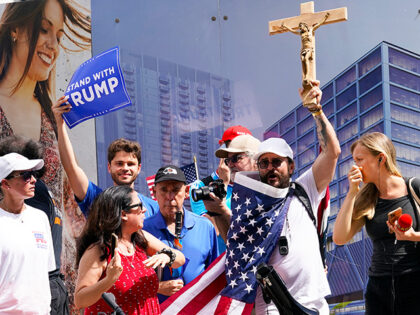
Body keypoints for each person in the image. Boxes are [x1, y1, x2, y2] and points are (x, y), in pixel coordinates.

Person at [211, 81, 340, 314]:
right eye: (264, 163)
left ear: (290, 166)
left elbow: (332, 152)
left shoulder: (304, 189)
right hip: (269, 308)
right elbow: (237, 247)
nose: (271, 168)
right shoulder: (250, 205)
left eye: (277, 162)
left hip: (311, 303)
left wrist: (316, 111)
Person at [0, 0, 91, 309]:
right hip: (8, 271)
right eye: (43, 29)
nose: (52, 45)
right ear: (15, 28)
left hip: (53, 275)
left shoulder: (50, 118)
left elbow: (68, 199)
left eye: (59, 35)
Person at [333, 132, 420, 314]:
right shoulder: (366, 199)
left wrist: (413, 236)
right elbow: (340, 238)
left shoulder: (414, 187)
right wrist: (351, 194)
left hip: (414, 282)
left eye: (360, 159)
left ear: (380, 158)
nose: (355, 166)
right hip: (378, 288)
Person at [75, 185, 185, 314]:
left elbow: (180, 259)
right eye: (139, 206)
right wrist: (109, 280)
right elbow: (80, 300)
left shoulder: (140, 237)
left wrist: (167, 256)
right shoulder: (98, 250)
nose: (144, 210)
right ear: (123, 214)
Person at [52, 98, 159, 218]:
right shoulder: (97, 200)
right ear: (109, 167)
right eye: (119, 163)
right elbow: (71, 168)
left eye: (130, 164)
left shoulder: (153, 209)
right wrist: (60, 124)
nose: (125, 168)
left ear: (139, 168)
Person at [0, 135, 69, 314]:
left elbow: (42, 272)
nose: (33, 179)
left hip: (47, 303)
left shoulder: (39, 217)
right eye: (25, 174)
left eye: (34, 173)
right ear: (5, 183)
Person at [143, 165, 219, 303]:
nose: (170, 197)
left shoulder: (205, 227)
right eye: (164, 190)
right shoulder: (143, 230)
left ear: (186, 192)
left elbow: (214, 276)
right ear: (154, 193)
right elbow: (131, 279)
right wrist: (157, 287)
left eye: (176, 190)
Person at [189, 125, 253, 254]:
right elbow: (213, 231)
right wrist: (222, 184)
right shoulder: (201, 187)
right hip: (222, 266)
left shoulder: (257, 186)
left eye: (239, 155)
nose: (233, 163)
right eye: (232, 157)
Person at [204, 134, 261, 242]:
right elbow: (230, 240)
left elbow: (251, 238)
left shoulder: (271, 193)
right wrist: (217, 210)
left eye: (236, 158)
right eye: (227, 160)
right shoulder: (240, 195)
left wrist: (222, 209)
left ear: (256, 160)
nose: (230, 164)